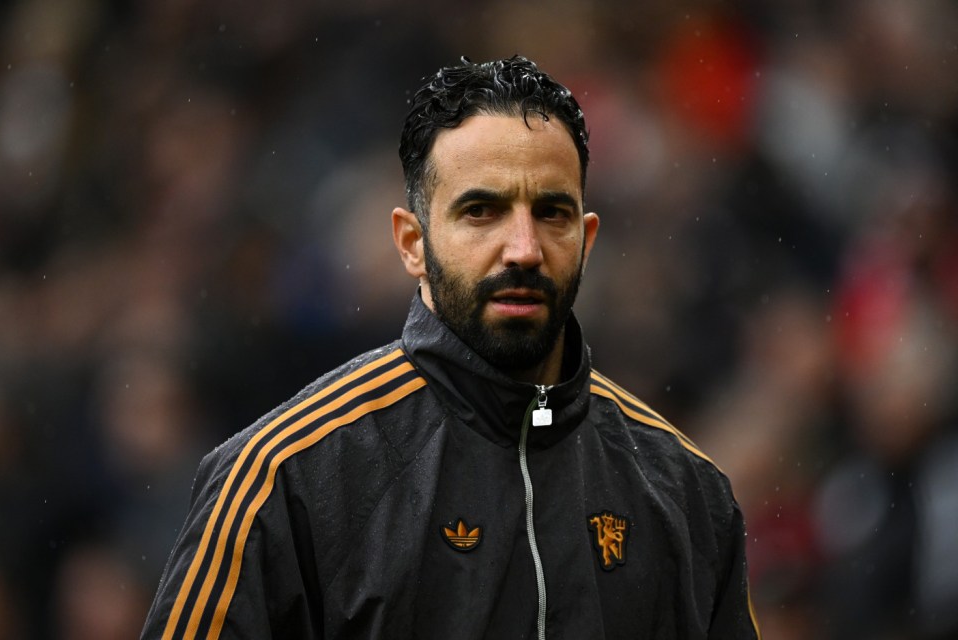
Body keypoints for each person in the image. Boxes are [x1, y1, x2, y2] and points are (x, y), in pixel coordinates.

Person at [141, 55, 760, 640]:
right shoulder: (283, 480)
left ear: (587, 239)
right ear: (412, 243)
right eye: (482, 211)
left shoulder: (688, 494)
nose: (523, 248)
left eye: (552, 213)